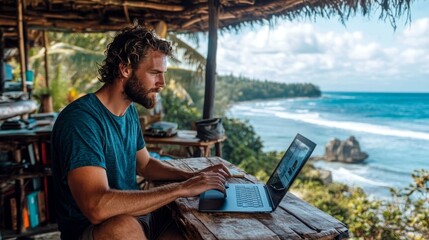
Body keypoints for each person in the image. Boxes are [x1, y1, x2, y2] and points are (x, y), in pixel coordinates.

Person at [51, 25, 230, 240]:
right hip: (95, 229)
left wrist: (194, 178)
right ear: (125, 69)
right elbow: (96, 206)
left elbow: (145, 164)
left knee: (196, 226)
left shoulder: (128, 112)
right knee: (122, 228)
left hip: (136, 216)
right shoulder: (81, 120)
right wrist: (180, 188)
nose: (162, 83)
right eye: (155, 73)